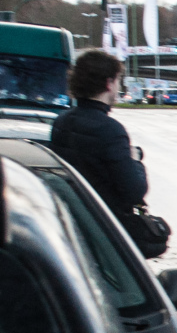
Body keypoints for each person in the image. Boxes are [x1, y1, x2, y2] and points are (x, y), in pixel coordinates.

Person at [51, 50, 148, 221]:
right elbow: (135, 191)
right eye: (118, 80)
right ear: (109, 83)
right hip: (103, 222)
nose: (119, 87)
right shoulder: (111, 130)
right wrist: (134, 160)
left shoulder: (61, 121)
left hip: (70, 216)